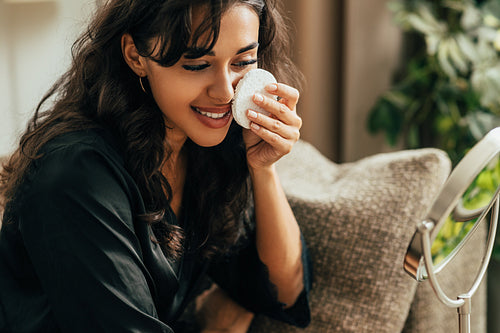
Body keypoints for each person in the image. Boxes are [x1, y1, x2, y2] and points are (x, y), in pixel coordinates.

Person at [0, 0, 312, 331]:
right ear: (136, 56)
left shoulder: (207, 148)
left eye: (243, 62)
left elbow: (285, 294)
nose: (225, 92)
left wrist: (264, 169)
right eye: (196, 64)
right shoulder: (75, 175)